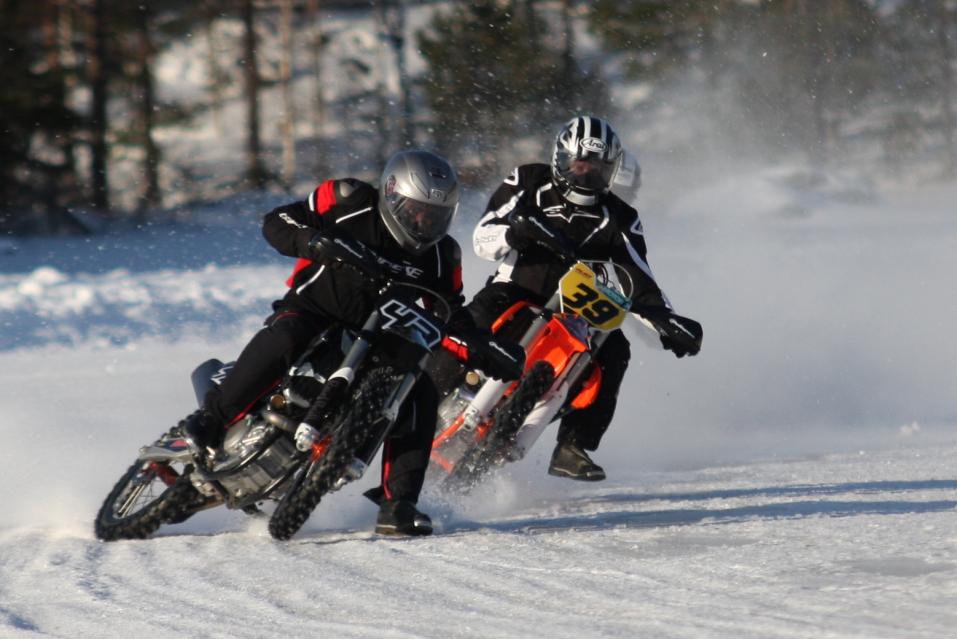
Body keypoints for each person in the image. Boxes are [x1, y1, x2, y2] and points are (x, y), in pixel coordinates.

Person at [182, 150, 523, 536]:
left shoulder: (444, 256)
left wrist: (488, 349)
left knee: (420, 390)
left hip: (385, 338)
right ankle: (212, 418)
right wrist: (311, 241)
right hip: (317, 311)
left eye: (435, 214)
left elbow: (451, 312)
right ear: (392, 194)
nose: (424, 221)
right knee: (288, 336)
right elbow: (279, 220)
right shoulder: (349, 199)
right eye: (416, 210)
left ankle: (398, 506)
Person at [468, 115, 703, 481]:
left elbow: (637, 278)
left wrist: (666, 321)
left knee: (615, 352)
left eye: (596, 166)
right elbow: (482, 237)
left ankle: (573, 445)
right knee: (470, 323)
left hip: (576, 313)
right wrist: (514, 234)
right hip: (517, 290)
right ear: (560, 156)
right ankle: (421, 398)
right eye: (579, 162)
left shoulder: (621, 217)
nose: (585, 172)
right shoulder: (528, 180)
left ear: (610, 170)